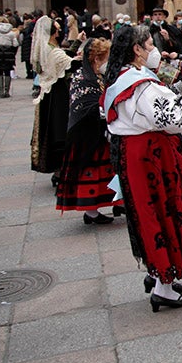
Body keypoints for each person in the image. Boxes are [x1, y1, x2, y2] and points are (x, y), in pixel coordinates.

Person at [104, 25, 182, 311]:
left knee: (149, 214)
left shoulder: (123, 78)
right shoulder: (140, 85)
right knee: (165, 213)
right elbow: (176, 118)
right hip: (153, 158)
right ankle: (163, 286)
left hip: (136, 154)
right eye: (150, 45)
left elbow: (152, 108)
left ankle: (158, 273)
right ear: (136, 50)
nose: (156, 51)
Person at [56, 37, 120, 225]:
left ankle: (116, 203)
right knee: (92, 172)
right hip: (86, 136)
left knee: (107, 172)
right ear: (96, 60)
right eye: (106, 59)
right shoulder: (83, 78)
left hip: (99, 133)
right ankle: (91, 212)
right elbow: (86, 107)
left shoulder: (97, 77)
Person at [30, 16, 77, 179]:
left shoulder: (43, 49)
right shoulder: (54, 51)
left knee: (49, 131)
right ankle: (60, 169)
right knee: (60, 130)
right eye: (57, 29)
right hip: (58, 94)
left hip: (46, 94)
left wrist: (76, 43)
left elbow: (62, 61)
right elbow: (70, 64)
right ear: (53, 33)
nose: (59, 31)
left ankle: (55, 167)